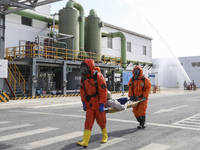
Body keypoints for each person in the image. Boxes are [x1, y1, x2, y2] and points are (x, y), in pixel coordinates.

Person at [77, 59, 108, 148]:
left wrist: (102, 103)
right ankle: (85, 141)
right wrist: (83, 102)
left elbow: (103, 90)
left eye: (85, 68)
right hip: (89, 103)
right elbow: (82, 90)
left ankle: (105, 135)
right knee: (88, 121)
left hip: (98, 102)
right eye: (82, 68)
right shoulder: (83, 78)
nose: (83, 70)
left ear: (89, 67)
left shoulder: (98, 76)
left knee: (101, 120)